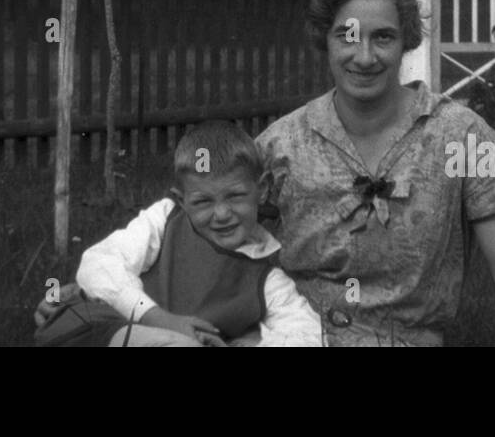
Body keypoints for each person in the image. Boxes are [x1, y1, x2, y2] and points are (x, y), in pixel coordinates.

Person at [255, 0, 495, 346]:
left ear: (406, 40)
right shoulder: (280, 145)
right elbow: (220, 243)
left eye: (383, 37)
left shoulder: (461, 136)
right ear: (324, 39)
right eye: (347, 36)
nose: (364, 57)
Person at [67, 120, 322, 346]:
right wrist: (158, 319)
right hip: (121, 331)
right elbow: (98, 264)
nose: (222, 213)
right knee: (72, 313)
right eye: (203, 202)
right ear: (182, 200)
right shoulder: (164, 222)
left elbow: (307, 335)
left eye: (235, 196)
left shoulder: (266, 278)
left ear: (263, 190)